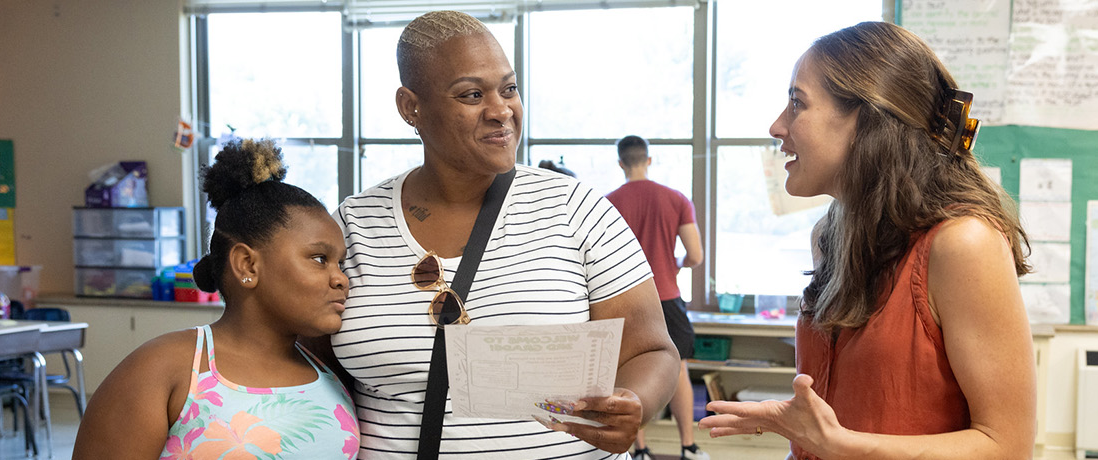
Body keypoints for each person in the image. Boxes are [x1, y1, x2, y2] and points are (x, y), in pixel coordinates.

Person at [305, 10, 681, 459]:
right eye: (472, 94)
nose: (501, 110)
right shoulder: (355, 225)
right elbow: (311, 366)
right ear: (411, 107)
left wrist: (634, 402)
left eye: (509, 89)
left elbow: (654, 350)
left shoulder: (576, 209)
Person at [698, 21, 1037, 459]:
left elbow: (1006, 447)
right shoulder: (830, 236)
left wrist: (837, 445)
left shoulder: (963, 243)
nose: (777, 126)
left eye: (797, 104)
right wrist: (802, 436)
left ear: (867, 120)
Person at [74, 138, 360, 459]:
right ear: (247, 265)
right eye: (320, 258)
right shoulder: (164, 369)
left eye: (341, 263)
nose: (341, 278)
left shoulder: (329, 376)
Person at [604, 135, 707, 460]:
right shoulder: (675, 198)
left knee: (628, 374)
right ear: (648, 161)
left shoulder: (606, 202)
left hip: (623, 301)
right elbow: (695, 255)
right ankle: (689, 447)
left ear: (621, 163)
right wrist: (675, 263)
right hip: (666, 296)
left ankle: (639, 450)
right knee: (678, 370)